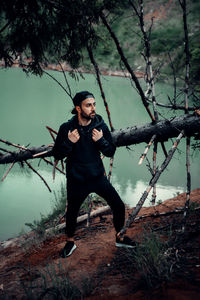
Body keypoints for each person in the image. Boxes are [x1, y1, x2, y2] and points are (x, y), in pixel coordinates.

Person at [53, 91, 136, 257]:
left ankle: (120, 237)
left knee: (118, 205)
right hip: (77, 179)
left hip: (97, 177)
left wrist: (100, 140)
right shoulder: (66, 128)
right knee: (72, 212)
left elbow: (110, 151)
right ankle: (70, 242)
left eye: (94, 104)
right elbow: (57, 154)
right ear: (78, 108)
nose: (93, 108)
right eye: (88, 105)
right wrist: (69, 141)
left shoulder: (100, 127)